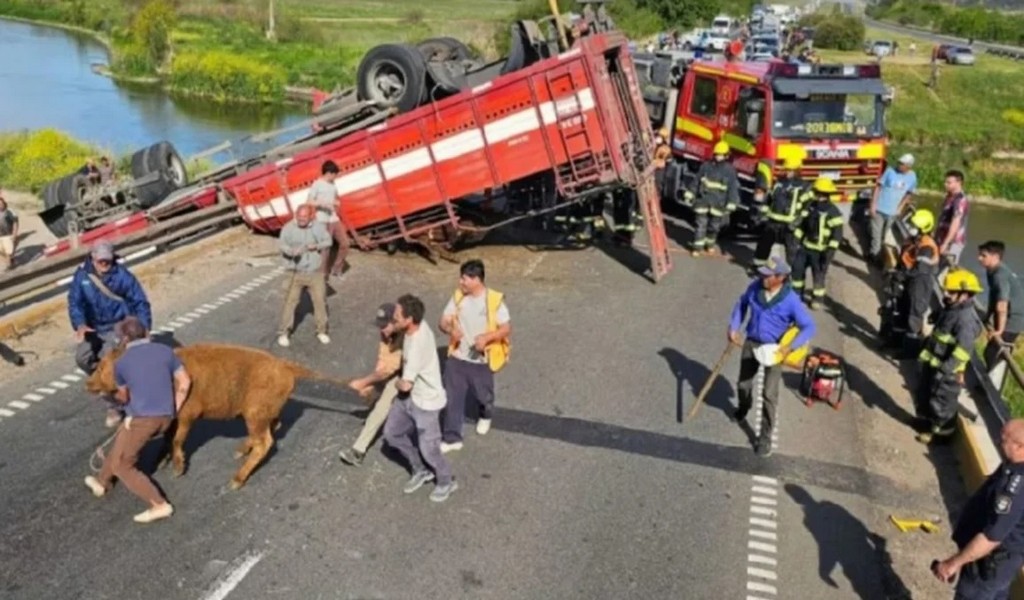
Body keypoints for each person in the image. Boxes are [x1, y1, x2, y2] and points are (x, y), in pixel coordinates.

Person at [83, 317, 191, 524]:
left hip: (144, 420)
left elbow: (124, 397)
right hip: (166, 416)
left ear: (123, 340)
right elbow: (185, 381)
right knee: (123, 437)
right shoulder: (165, 351)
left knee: (123, 465)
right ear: (146, 333)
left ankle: (159, 505)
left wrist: (111, 398)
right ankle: (101, 481)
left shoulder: (121, 363)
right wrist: (174, 406)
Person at [728, 255, 816, 456]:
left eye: (768, 276)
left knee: (769, 394)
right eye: (762, 274)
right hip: (752, 343)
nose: (763, 278)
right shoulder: (755, 288)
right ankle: (744, 407)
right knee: (743, 384)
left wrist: (791, 347)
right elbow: (741, 304)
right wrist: (734, 326)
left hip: (775, 350)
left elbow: (808, 327)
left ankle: (765, 437)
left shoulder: (791, 300)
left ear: (781, 277)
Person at [933, 419, 1024, 597]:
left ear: (1020, 447)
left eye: (1004, 440)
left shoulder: (1016, 487)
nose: (998, 442)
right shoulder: (1014, 463)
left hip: (988, 563)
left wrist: (953, 564)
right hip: (1002, 564)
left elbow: (992, 537)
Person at [69, 240, 153, 427]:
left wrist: (145, 327)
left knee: (109, 360)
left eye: (107, 261)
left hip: (117, 325)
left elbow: (140, 301)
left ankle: (115, 403)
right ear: (93, 258)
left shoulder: (122, 276)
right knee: (82, 358)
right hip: (93, 327)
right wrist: (80, 324)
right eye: (101, 261)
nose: (104, 265)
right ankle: (116, 382)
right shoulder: (82, 276)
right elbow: (75, 303)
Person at [383, 294, 458, 503]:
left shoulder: (417, 346)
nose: (393, 318)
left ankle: (446, 481)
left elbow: (406, 384)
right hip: (409, 398)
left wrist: (392, 381)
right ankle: (420, 470)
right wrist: (392, 329)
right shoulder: (417, 324)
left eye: (397, 316)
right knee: (391, 434)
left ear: (409, 320)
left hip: (426, 402)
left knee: (430, 449)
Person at [438, 259, 511, 453]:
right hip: (457, 357)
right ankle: (452, 437)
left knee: (483, 396)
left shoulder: (494, 300)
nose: (461, 282)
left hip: (481, 360)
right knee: (453, 397)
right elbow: (443, 321)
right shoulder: (458, 297)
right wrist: (449, 330)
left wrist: (487, 337)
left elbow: (505, 328)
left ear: (476, 279)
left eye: (464, 279)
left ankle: (485, 415)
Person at [914, 268, 984, 444]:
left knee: (942, 402)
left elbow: (962, 350)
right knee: (925, 394)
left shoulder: (966, 320)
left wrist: (946, 368)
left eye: (951, 291)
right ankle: (925, 423)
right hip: (934, 363)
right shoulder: (951, 308)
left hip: (947, 370)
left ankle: (941, 435)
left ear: (965, 294)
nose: (946, 294)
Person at [338, 303, 404, 466]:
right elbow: (383, 362)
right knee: (377, 394)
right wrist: (372, 386)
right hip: (395, 369)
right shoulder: (386, 333)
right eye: (380, 326)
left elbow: (389, 369)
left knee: (382, 407)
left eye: (385, 326)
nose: (382, 330)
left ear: (395, 322)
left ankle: (358, 452)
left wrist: (363, 382)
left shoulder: (405, 337)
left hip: (408, 374)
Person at [277, 203, 333, 347]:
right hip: (294, 272)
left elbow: (328, 241)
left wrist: (317, 246)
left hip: (314, 272)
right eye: (299, 216)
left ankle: (321, 331)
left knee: (320, 301)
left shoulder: (318, 227)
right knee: (290, 302)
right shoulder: (288, 228)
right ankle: (284, 332)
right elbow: (282, 244)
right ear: (296, 214)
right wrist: (290, 251)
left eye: (305, 217)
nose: (301, 219)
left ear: (311, 216)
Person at [888, 209, 940, 356]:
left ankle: (909, 352)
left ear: (923, 228)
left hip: (920, 283)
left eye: (915, 226)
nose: (911, 227)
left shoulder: (927, 246)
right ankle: (896, 343)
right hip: (912, 281)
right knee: (903, 311)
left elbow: (920, 269)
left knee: (914, 315)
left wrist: (901, 276)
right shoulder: (915, 241)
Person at [791, 177, 845, 310]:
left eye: (818, 193)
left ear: (825, 195)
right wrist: (795, 241)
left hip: (821, 251)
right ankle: (797, 295)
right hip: (805, 247)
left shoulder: (834, 212)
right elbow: (802, 226)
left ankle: (817, 299)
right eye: (816, 192)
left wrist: (829, 253)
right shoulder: (811, 207)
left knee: (819, 275)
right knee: (797, 271)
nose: (816, 195)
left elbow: (837, 235)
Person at [752, 155, 812, 269]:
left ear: (797, 170)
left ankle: (792, 275)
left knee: (792, 251)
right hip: (773, 222)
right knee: (763, 246)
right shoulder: (778, 182)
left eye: (790, 170)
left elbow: (807, 208)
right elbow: (769, 199)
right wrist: (762, 214)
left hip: (790, 225)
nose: (787, 172)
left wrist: (797, 222)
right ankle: (758, 267)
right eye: (787, 169)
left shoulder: (805, 186)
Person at [978, 241, 1024, 372]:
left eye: (983, 255)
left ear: (995, 256)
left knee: (993, 353)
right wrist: (988, 315)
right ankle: (988, 380)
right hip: (1005, 315)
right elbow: (993, 296)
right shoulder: (991, 270)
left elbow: (1002, 304)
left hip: (1013, 319)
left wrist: (999, 331)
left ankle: (990, 386)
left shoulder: (1000, 275)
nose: (979, 258)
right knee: (992, 352)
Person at [692, 141, 739, 257]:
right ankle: (697, 247)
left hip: (718, 203)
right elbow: (697, 180)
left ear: (726, 156)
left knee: (714, 227)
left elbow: (733, 187)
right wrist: (690, 193)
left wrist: (732, 202)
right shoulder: (706, 166)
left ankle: (710, 244)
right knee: (700, 225)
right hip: (703, 200)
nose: (718, 156)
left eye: (721, 154)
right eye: (717, 154)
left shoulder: (729, 170)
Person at [869, 154, 917, 264]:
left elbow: (909, 193)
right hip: (879, 208)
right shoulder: (890, 171)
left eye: (902, 164)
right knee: (876, 235)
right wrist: (873, 204)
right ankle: (874, 257)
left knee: (884, 235)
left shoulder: (912, 176)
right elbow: (878, 187)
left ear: (908, 166)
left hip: (892, 212)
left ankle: (879, 255)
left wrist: (900, 207)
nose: (899, 165)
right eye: (899, 163)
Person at [305, 159, 350, 277]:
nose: (335, 177)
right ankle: (321, 276)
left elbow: (335, 198)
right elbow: (309, 202)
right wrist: (323, 204)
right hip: (322, 219)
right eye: (335, 175)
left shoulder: (333, 185)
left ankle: (336, 269)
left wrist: (336, 202)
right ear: (329, 173)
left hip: (334, 218)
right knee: (325, 249)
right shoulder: (317, 184)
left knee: (345, 243)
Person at [936, 169, 970, 267]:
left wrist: (946, 243)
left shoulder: (960, 200)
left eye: (949, 182)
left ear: (959, 183)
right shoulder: (949, 196)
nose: (945, 184)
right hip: (941, 237)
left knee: (946, 267)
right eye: (945, 182)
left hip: (953, 241)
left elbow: (955, 223)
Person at [0, 192, 20, 271]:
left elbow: (15, 223)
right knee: (2, 252)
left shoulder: (9, 211)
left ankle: (9, 267)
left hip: (8, 235)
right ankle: (10, 261)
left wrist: (14, 234)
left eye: (1, 204)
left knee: (8, 252)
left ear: (4, 204)